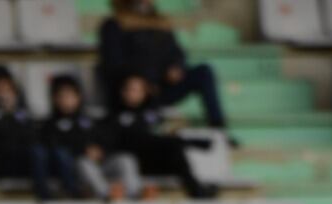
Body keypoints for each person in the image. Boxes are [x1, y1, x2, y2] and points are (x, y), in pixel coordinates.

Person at [97, 0, 231, 136]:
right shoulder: (114, 24)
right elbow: (113, 63)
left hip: (163, 88)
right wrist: (143, 82)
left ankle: (219, 130)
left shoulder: (160, 23)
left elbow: (177, 53)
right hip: (135, 90)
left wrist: (176, 67)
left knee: (204, 72)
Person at [0, 63, 78, 200]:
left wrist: (11, 115)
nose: (3, 94)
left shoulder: (22, 115)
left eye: (7, 88)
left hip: (25, 162)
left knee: (55, 153)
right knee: (37, 153)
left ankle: (72, 194)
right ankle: (45, 197)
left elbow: (33, 137)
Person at [100, 73, 218, 199]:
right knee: (147, 139)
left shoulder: (151, 115)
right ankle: (190, 143)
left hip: (154, 162)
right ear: (122, 92)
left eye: (139, 90)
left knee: (174, 149)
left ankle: (196, 190)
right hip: (133, 164)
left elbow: (160, 133)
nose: (134, 93)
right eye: (131, 89)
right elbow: (121, 144)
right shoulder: (113, 117)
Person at [42, 72, 138, 201]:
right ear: (55, 99)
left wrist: (101, 150)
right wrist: (83, 151)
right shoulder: (50, 125)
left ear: (78, 97)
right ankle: (107, 195)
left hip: (102, 163)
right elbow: (56, 150)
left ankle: (132, 194)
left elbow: (108, 140)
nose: (67, 101)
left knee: (126, 159)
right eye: (62, 97)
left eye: (70, 96)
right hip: (78, 170)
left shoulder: (91, 120)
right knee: (84, 163)